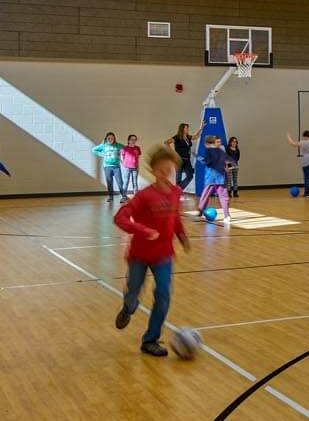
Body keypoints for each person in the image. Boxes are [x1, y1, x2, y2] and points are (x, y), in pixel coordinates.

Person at [112, 146, 191, 357]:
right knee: (132, 294)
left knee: (164, 295)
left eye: (170, 170)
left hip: (163, 256)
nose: (167, 175)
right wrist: (142, 230)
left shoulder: (176, 193)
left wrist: (182, 237)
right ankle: (128, 308)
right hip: (139, 255)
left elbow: (174, 218)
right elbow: (119, 217)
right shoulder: (144, 196)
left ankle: (150, 340)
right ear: (154, 171)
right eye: (162, 170)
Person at [197, 133, 230, 217]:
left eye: (220, 141)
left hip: (218, 177)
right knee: (206, 195)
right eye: (217, 142)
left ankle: (227, 215)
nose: (219, 143)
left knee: (223, 196)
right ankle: (201, 211)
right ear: (214, 143)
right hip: (212, 177)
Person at [93, 132, 125, 200]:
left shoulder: (117, 145)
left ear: (114, 139)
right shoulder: (104, 145)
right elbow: (94, 150)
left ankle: (124, 196)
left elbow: (126, 149)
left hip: (116, 166)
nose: (110, 139)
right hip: (107, 167)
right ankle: (111, 196)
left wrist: (122, 156)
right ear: (106, 139)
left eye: (112, 138)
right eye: (109, 138)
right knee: (109, 182)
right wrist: (102, 154)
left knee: (120, 182)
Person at [172, 123, 195, 192]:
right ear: (182, 129)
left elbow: (196, 136)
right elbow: (166, 142)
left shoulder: (188, 137)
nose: (187, 129)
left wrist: (201, 127)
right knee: (178, 178)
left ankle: (177, 189)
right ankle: (177, 193)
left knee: (190, 176)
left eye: (188, 128)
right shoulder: (177, 137)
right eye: (186, 128)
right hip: (179, 160)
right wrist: (172, 152)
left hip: (187, 160)